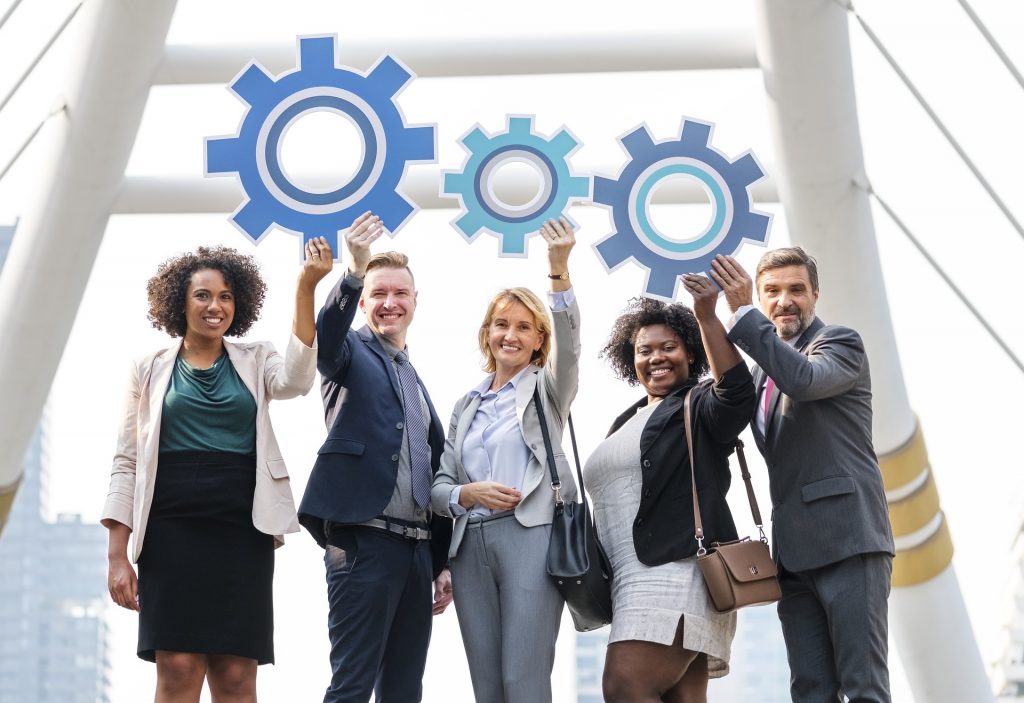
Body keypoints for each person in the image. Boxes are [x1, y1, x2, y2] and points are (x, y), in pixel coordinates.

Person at [102, 239, 333, 702]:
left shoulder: (256, 358)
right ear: (179, 303)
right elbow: (126, 461)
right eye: (203, 295)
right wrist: (117, 556)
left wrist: (307, 285)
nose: (215, 305)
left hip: (241, 530)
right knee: (179, 666)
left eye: (226, 296)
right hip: (169, 531)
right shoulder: (147, 369)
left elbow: (297, 379)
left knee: (234, 674)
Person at [710, 248, 895, 703]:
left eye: (796, 290)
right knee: (810, 691)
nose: (784, 301)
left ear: (816, 294)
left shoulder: (839, 344)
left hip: (850, 543)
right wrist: (705, 315)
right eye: (771, 292)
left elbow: (806, 381)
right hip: (793, 556)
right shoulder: (760, 374)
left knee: (864, 686)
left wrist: (742, 311)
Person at [297, 211, 454, 703]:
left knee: (404, 691)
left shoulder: (414, 378)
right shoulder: (349, 353)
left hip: (415, 553)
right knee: (352, 686)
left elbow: (429, 467)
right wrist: (354, 271)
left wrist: (440, 559)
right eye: (378, 294)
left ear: (414, 301)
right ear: (364, 301)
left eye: (400, 294)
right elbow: (326, 339)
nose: (390, 303)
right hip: (364, 542)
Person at [430, 217, 579, 703]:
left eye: (523, 327)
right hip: (469, 545)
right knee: (488, 688)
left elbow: (571, 347)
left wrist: (558, 273)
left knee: (523, 679)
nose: (509, 335)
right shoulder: (465, 405)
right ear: (486, 333)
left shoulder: (547, 389)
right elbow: (439, 486)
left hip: (528, 536)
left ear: (539, 339)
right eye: (501, 324)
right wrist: (463, 494)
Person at [588, 274, 755, 703]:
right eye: (644, 350)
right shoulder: (625, 420)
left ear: (690, 352)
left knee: (626, 686)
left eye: (669, 347)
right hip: (629, 580)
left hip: (675, 572)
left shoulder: (697, 403)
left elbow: (736, 394)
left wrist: (707, 317)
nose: (656, 358)